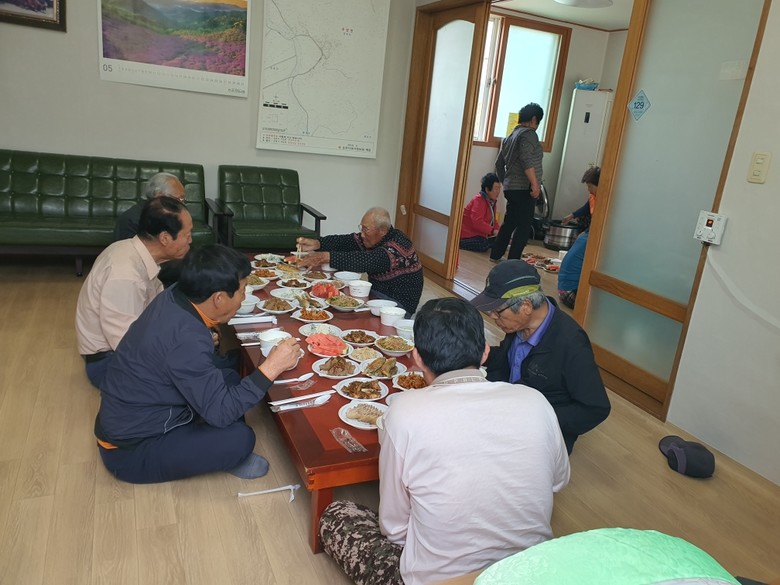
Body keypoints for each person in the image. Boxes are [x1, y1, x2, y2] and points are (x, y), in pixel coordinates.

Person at [318, 298, 570, 585]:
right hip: (527, 573)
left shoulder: (405, 412)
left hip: (443, 580)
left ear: (416, 357)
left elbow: (394, 529)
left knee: (337, 514)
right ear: (485, 352)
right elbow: (558, 481)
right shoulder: (535, 401)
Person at [94, 244, 302, 484]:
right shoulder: (186, 339)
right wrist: (272, 367)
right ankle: (226, 454)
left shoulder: (177, 295)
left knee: (230, 376)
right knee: (240, 439)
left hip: (145, 409)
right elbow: (220, 414)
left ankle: (212, 446)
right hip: (131, 449)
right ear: (219, 298)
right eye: (242, 290)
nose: (244, 297)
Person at [470, 260, 610, 454]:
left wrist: (537, 417)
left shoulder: (570, 343)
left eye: (497, 311)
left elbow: (595, 408)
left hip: (538, 433)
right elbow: (510, 361)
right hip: (509, 408)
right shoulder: (519, 326)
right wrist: (478, 354)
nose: (493, 316)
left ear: (526, 306)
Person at [75, 197, 193, 389]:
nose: (190, 240)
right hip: (110, 364)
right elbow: (127, 346)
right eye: (187, 235)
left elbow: (158, 313)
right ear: (164, 238)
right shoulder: (125, 275)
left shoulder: (131, 250)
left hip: (130, 347)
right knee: (194, 383)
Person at [295, 207, 423, 315]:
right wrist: (318, 243)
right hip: (376, 294)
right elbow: (348, 241)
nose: (362, 234)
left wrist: (325, 257)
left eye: (366, 229)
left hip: (397, 305)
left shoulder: (397, 247)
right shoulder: (377, 238)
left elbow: (366, 261)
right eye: (362, 228)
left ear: (382, 230)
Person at [491, 103, 545, 263]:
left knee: (510, 222)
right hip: (524, 188)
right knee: (524, 226)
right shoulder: (529, 135)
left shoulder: (510, 136)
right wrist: (534, 184)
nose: (537, 126)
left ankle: (496, 254)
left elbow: (498, 164)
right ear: (533, 119)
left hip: (511, 188)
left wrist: (506, 181)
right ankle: (513, 261)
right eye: (538, 122)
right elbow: (526, 159)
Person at [115, 172, 188, 288]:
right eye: (178, 199)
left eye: (183, 199)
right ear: (159, 196)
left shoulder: (170, 214)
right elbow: (136, 263)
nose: (181, 204)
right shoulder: (132, 219)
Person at [558, 166, 600, 309]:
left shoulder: (604, 200)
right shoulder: (595, 197)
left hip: (563, 291)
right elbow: (587, 209)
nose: (588, 189)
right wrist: (572, 215)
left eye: (590, 186)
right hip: (571, 294)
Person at [459, 172, 501, 252]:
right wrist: (492, 231)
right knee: (483, 244)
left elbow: (494, 221)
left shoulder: (492, 202)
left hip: (480, 235)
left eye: (499, 189)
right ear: (487, 189)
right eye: (496, 188)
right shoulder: (479, 200)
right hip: (468, 235)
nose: (498, 191)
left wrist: (500, 232)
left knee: (499, 241)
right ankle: (458, 243)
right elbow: (477, 222)